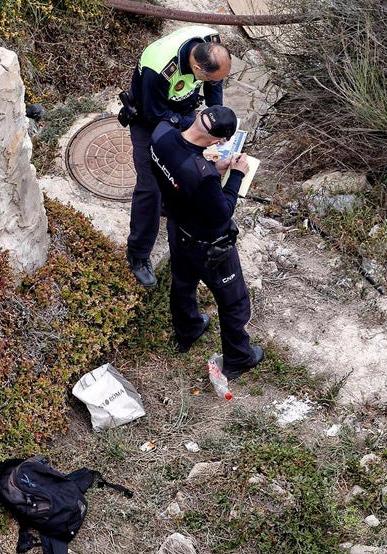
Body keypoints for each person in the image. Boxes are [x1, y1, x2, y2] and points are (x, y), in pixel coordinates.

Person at [149, 105, 264, 379]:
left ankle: (188, 329)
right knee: (234, 301)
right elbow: (221, 213)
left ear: (201, 116)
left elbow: (182, 171)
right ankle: (238, 357)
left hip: (179, 228)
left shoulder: (162, 134)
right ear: (217, 141)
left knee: (183, 282)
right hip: (209, 247)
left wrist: (213, 167)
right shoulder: (202, 176)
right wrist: (235, 174)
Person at [123, 26, 232, 288]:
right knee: (150, 188)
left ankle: (169, 206)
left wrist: (216, 115)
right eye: (209, 78)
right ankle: (138, 254)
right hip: (151, 119)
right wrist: (195, 124)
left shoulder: (210, 42)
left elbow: (215, 84)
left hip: (183, 111)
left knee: (187, 171)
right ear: (197, 69)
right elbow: (153, 114)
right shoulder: (158, 68)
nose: (212, 82)